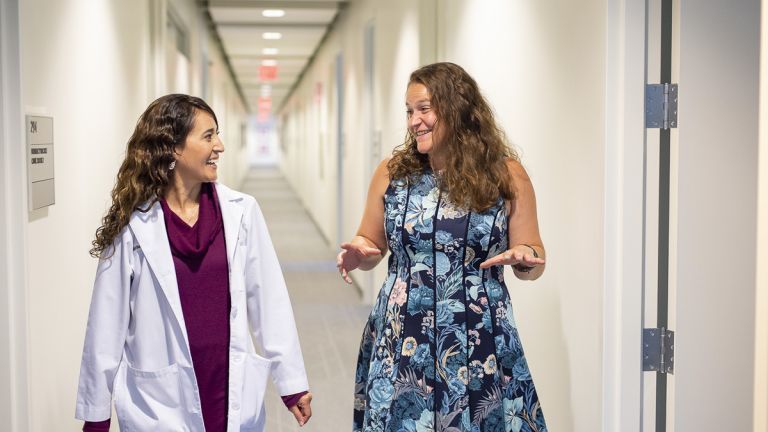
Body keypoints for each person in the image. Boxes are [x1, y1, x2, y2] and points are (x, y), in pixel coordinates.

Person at [75, 94, 312, 432]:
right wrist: (96, 414)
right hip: (160, 400)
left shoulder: (240, 211)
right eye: (208, 135)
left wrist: (292, 383)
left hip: (226, 384)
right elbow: (105, 325)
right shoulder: (133, 225)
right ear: (173, 146)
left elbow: (269, 300)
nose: (220, 145)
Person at [337, 62, 548, 431]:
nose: (413, 121)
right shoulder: (393, 173)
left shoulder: (506, 174)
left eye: (424, 109)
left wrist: (525, 258)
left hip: (479, 331)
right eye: (408, 111)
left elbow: (533, 255)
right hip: (403, 330)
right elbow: (370, 242)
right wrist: (360, 251)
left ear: (457, 108)